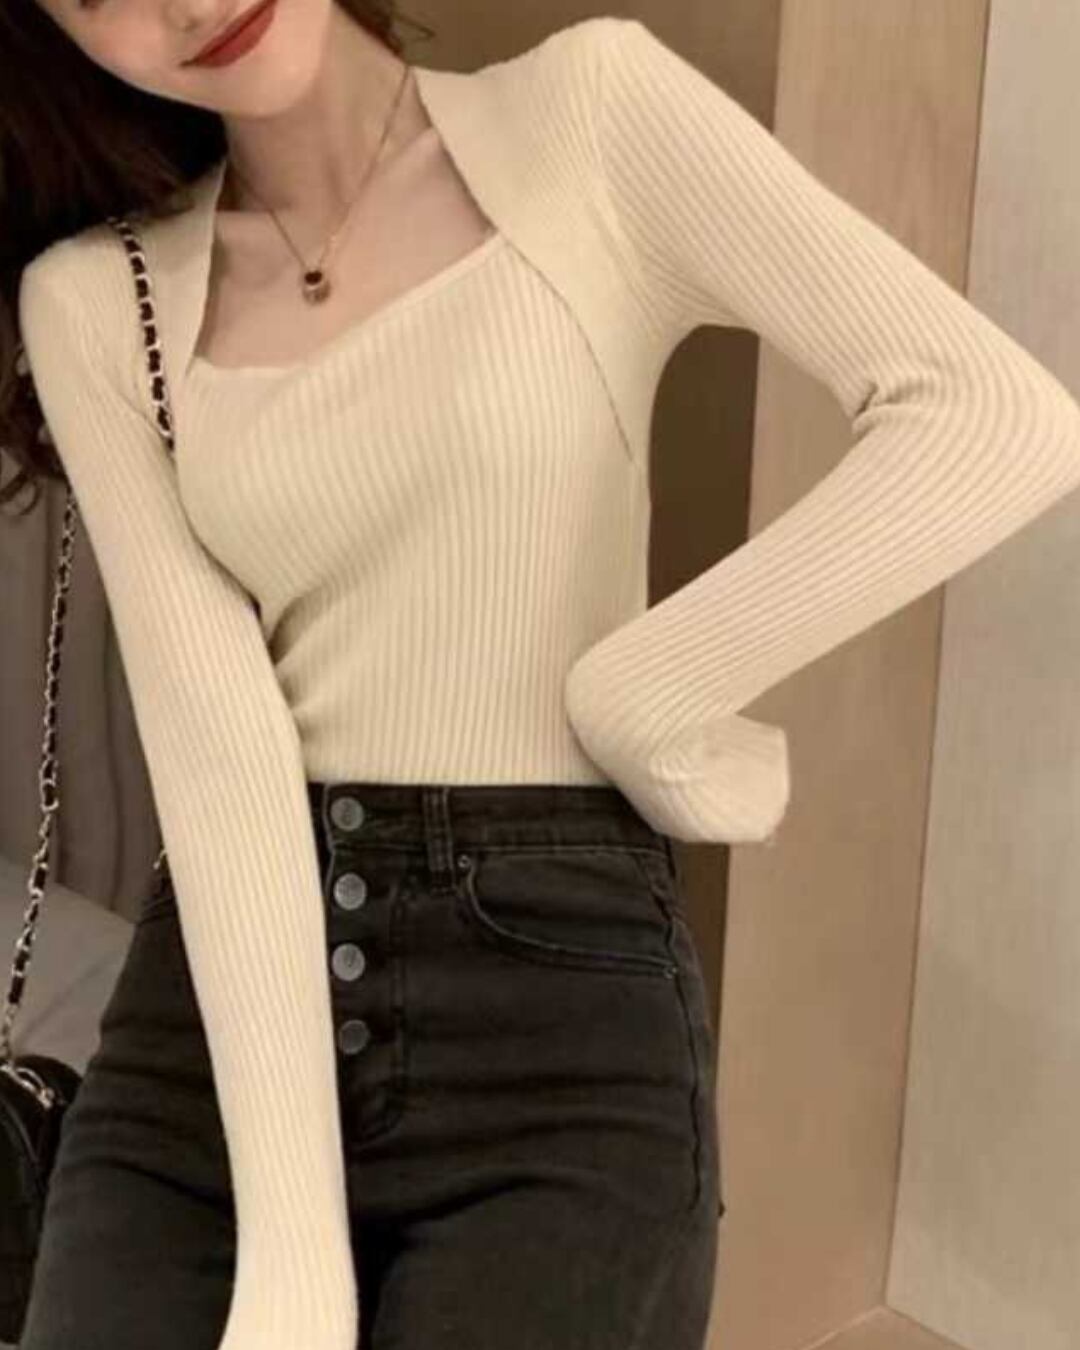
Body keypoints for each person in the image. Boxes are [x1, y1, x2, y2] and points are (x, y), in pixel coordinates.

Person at [6, 2, 1080, 1347]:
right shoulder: (100, 300)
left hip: (555, 1013)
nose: (182, 1)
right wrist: (291, 1264)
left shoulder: (590, 116)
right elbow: (219, 759)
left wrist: (652, 685)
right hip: (218, 1027)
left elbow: (992, 414)